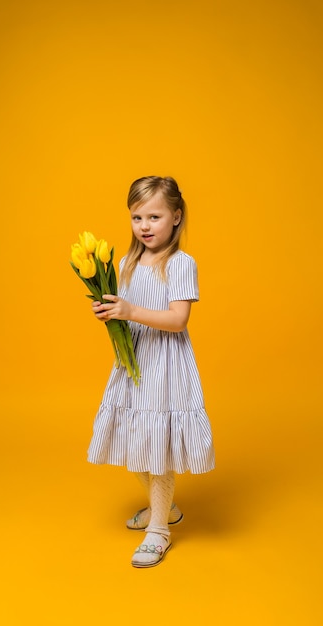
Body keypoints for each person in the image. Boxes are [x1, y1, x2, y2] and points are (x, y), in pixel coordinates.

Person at [88, 175, 215, 567]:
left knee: (155, 446)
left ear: (176, 217)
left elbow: (177, 319)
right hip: (134, 363)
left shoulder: (179, 263)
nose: (144, 226)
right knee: (134, 438)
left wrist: (130, 311)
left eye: (154, 216)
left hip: (165, 366)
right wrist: (110, 313)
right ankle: (165, 507)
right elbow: (127, 311)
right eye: (137, 217)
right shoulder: (124, 263)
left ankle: (158, 529)